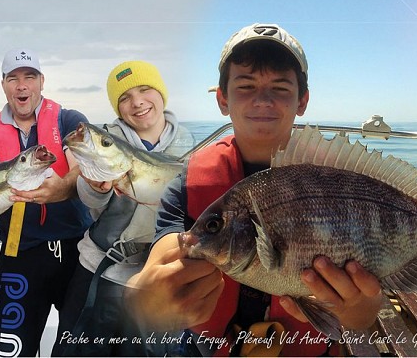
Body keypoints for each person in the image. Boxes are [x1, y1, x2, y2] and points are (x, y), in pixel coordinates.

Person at [127, 24, 383, 356]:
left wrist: (356, 308)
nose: (262, 100)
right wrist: (145, 297)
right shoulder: (186, 185)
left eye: (280, 87)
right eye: (246, 86)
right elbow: (164, 255)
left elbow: (364, 315)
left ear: (302, 100)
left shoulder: (338, 177)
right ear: (223, 99)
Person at [54, 61, 194, 356]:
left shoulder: (192, 146)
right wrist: (96, 187)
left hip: (155, 276)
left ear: (161, 93)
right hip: (98, 269)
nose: (137, 102)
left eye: (144, 90)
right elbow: (91, 201)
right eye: (125, 98)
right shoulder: (106, 137)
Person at [0, 48, 93, 357]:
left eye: (29, 77)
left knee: (80, 349)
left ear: (41, 81)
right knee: (7, 350)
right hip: (19, 251)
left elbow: (79, 168)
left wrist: (63, 189)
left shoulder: (69, 119)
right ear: (3, 84)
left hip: (75, 250)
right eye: (13, 78)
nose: (22, 85)